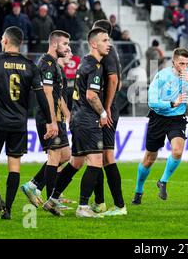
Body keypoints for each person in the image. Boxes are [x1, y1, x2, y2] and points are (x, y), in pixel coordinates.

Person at [0, 26, 55, 220]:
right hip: (19, 124)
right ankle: (7, 210)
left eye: (2, 39)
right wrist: (51, 121)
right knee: (14, 165)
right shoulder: (30, 66)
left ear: (7, 41)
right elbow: (41, 97)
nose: (1, 41)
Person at [43, 27, 111, 218]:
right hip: (89, 120)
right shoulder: (96, 66)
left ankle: (53, 198)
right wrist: (103, 113)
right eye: (105, 40)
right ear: (94, 43)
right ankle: (83, 207)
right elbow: (91, 95)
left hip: (77, 118)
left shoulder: (84, 63)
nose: (109, 44)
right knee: (96, 162)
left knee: (76, 162)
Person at [131, 47, 188, 205]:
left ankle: (163, 181)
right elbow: (152, 102)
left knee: (177, 150)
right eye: (181, 63)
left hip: (177, 119)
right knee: (149, 159)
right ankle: (138, 191)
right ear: (173, 62)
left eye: (187, 63)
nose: (184, 67)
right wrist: (172, 103)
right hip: (158, 118)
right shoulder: (162, 76)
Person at [20, 30, 71, 207]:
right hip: (48, 117)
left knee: (66, 156)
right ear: (55, 44)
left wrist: (67, 115)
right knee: (55, 155)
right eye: (65, 44)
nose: (67, 48)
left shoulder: (55, 64)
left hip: (56, 116)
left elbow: (58, 95)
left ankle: (33, 185)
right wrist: (52, 121)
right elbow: (47, 93)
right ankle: (52, 200)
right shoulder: (46, 63)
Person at [89, 19, 127, 216]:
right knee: (99, 155)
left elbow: (114, 80)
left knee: (104, 156)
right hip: (105, 108)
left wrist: (106, 106)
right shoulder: (111, 53)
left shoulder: (108, 52)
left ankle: (119, 205)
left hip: (106, 109)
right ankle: (100, 202)